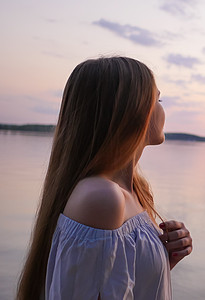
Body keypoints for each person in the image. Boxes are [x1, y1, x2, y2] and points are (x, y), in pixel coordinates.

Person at [16, 56, 192, 299]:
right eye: (157, 99)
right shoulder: (102, 198)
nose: (163, 109)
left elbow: (117, 283)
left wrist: (164, 258)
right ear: (132, 111)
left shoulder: (133, 191)